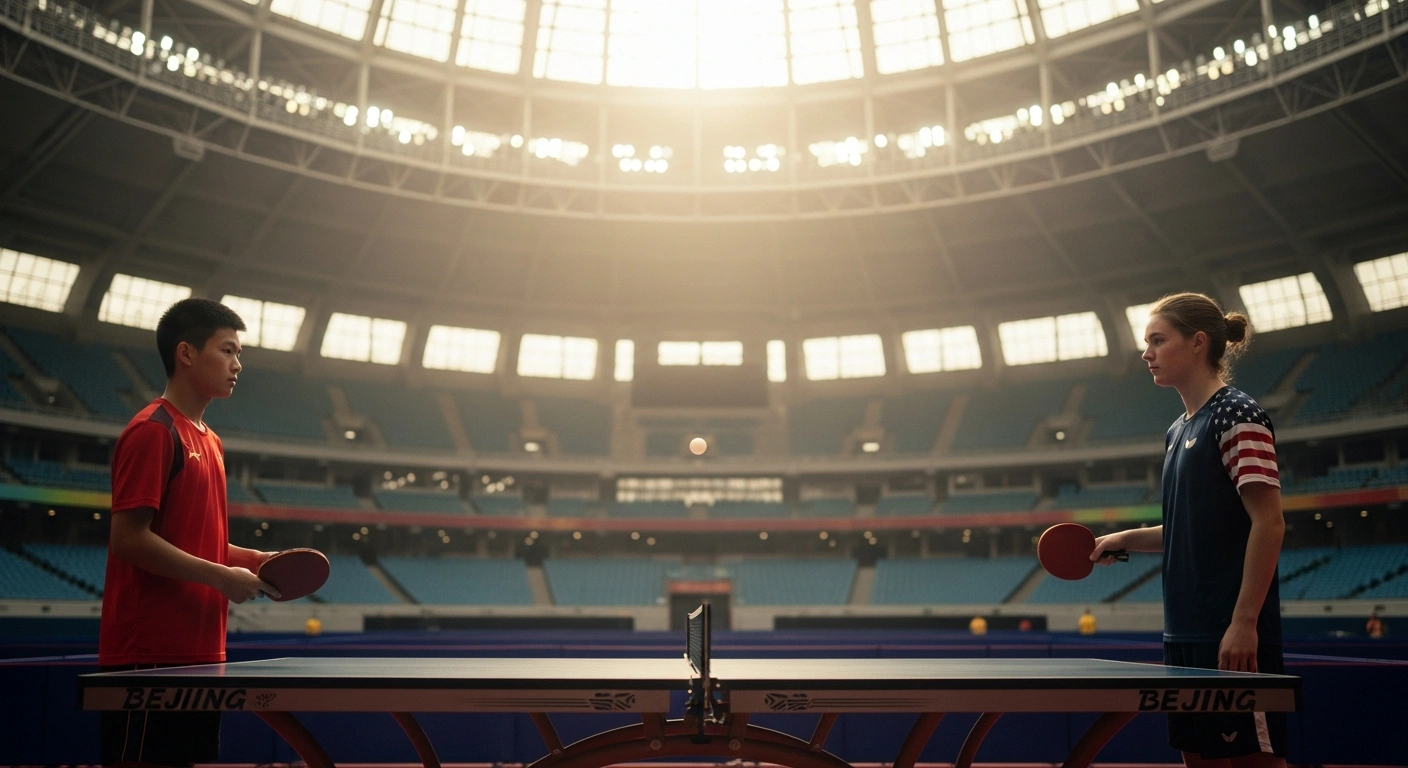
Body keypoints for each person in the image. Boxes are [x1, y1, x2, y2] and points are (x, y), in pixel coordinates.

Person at [1092, 293, 1287, 768]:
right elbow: (1188, 528)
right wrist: (1122, 539)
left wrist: (1243, 623)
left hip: (1228, 632)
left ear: (1198, 342)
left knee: (1249, 761)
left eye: (1158, 340)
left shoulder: (1236, 416)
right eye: (1146, 342)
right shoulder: (1177, 430)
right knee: (1199, 762)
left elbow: (1270, 521)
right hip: (1182, 633)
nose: (1147, 353)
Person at [99, 298, 277, 767]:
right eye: (228, 350)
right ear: (186, 354)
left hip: (202, 651)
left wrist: (251, 560)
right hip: (148, 658)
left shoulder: (210, 440)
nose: (238, 364)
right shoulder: (153, 431)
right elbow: (128, 540)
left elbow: (200, 543)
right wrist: (221, 576)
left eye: (240, 354)